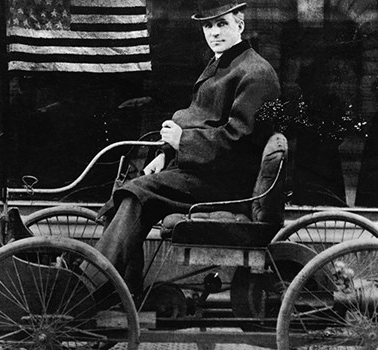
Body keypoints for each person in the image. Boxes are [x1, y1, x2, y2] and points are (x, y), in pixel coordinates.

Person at [92, 0, 281, 297]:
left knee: (138, 193)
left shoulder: (255, 73)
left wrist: (183, 142)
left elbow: (240, 141)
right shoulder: (223, 63)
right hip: (203, 172)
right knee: (129, 187)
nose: (214, 32)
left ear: (240, 25)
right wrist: (166, 154)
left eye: (222, 24)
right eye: (208, 25)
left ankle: (92, 285)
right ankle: (117, 289)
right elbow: (201, 120)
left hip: (227, 184)